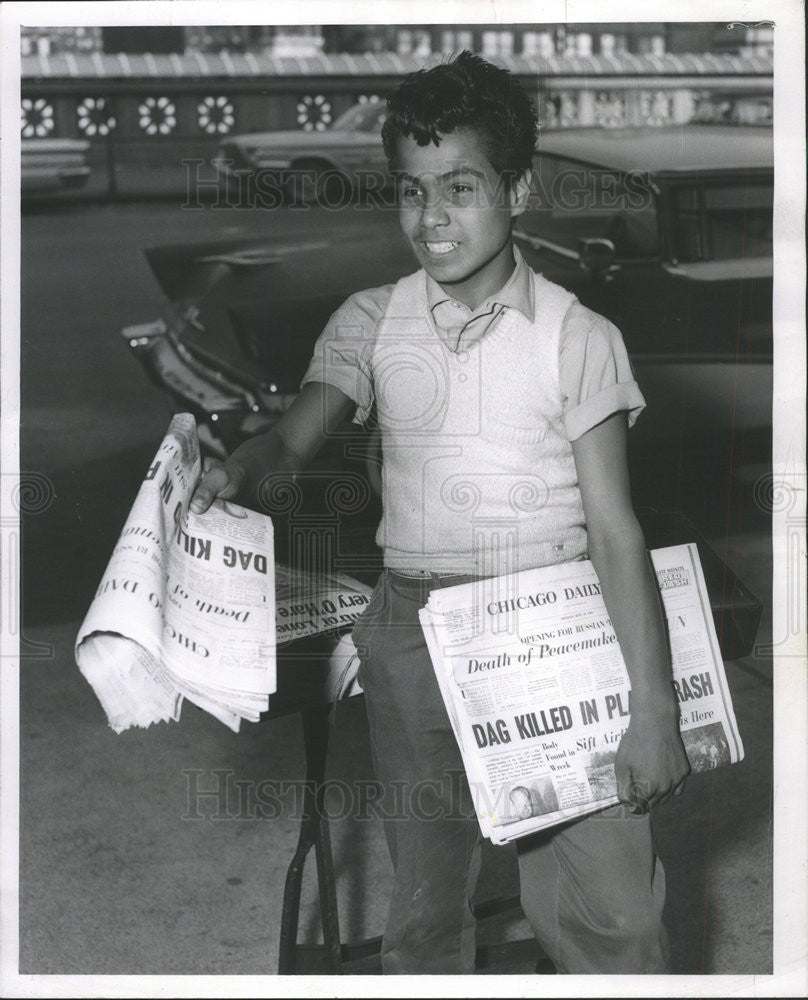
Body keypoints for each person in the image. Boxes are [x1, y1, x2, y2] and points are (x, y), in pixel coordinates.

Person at [190, 51, 690, 975]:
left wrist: (652, 710)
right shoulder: (371, 319)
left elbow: (617, 530)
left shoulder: (577, 337)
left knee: (613, 916)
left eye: (460, 188)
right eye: (413, 193)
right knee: (424, 908)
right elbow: (290, 446)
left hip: (555, 629)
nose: (433, 217)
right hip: (413, 631)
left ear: (517, 190)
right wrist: (234, 469)